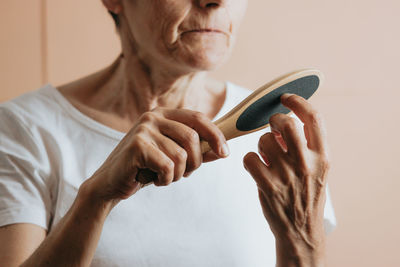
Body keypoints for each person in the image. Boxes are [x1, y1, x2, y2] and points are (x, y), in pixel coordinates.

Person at [0, 0, 336, 266]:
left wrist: (303, 242)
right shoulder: (24, 129)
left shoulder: (277, 135)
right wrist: (95, 199)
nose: (215, 1)